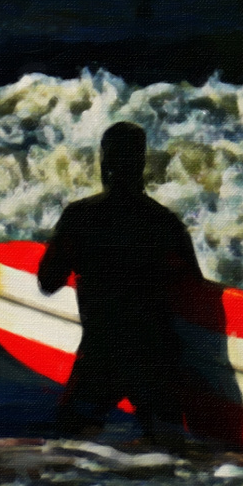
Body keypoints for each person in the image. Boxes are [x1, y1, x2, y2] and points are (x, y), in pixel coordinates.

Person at [38, 121, 203, 443]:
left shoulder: (78, 217)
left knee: (66, 451)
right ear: (141, 165)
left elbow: (48, 281)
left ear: (103, 162)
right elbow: (194, 291)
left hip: (102, 356)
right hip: (155, 359)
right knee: (168, 458)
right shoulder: (166, 223)